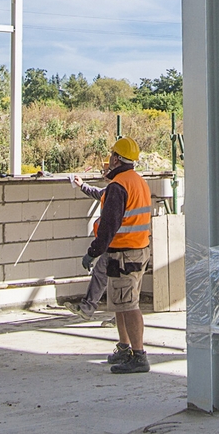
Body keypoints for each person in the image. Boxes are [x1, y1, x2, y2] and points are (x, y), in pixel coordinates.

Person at [81, 137, 153, 373]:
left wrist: (93, 252)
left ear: (115, 158)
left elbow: (108, 226)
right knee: (121, 303)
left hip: (124, 253)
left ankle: (139, 355)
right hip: (137, 250)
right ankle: (125, 347)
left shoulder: (118, 186)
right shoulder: (138, 182)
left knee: (129, 305)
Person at [68, 172, 109, 319]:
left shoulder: (117, 189)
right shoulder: (114, 189)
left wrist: (93, 253)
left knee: (119, 284)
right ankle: (88, 308)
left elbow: (108, 228)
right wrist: (83, 186)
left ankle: (122, 324)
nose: (105, 174)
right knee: (103, 274)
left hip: (121, 244)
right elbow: (99, 194)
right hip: (122, 243)